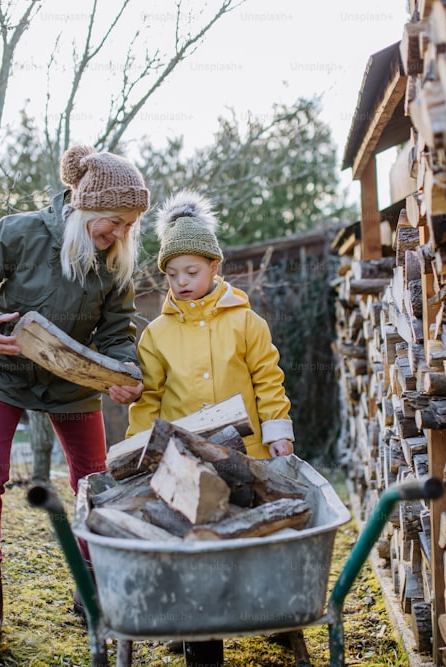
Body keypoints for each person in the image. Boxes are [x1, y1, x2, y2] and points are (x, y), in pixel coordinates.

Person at [0, 144, 148, 662]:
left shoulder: (112, 261)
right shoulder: (18, 232)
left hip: (72, 379)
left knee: (94, 483)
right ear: (84, 208)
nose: (120, 234)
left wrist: (125, 370)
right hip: (3, 371)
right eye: (113, 221)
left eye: (128, 225)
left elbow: (119, 332)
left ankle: (91, 584)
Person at [125, 191, 295, 667]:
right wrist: (142, 448)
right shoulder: (157, 335)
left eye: (191, 272)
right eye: (172, 274)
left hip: (248, 452)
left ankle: (278, 614)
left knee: (256, 530)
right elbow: (150, 398)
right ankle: (200, 638)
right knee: (196, 540)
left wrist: (278, 429)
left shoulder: (246, 322)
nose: (181, 282)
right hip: (187, 459)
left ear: (214, 267)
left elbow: (268, 379)